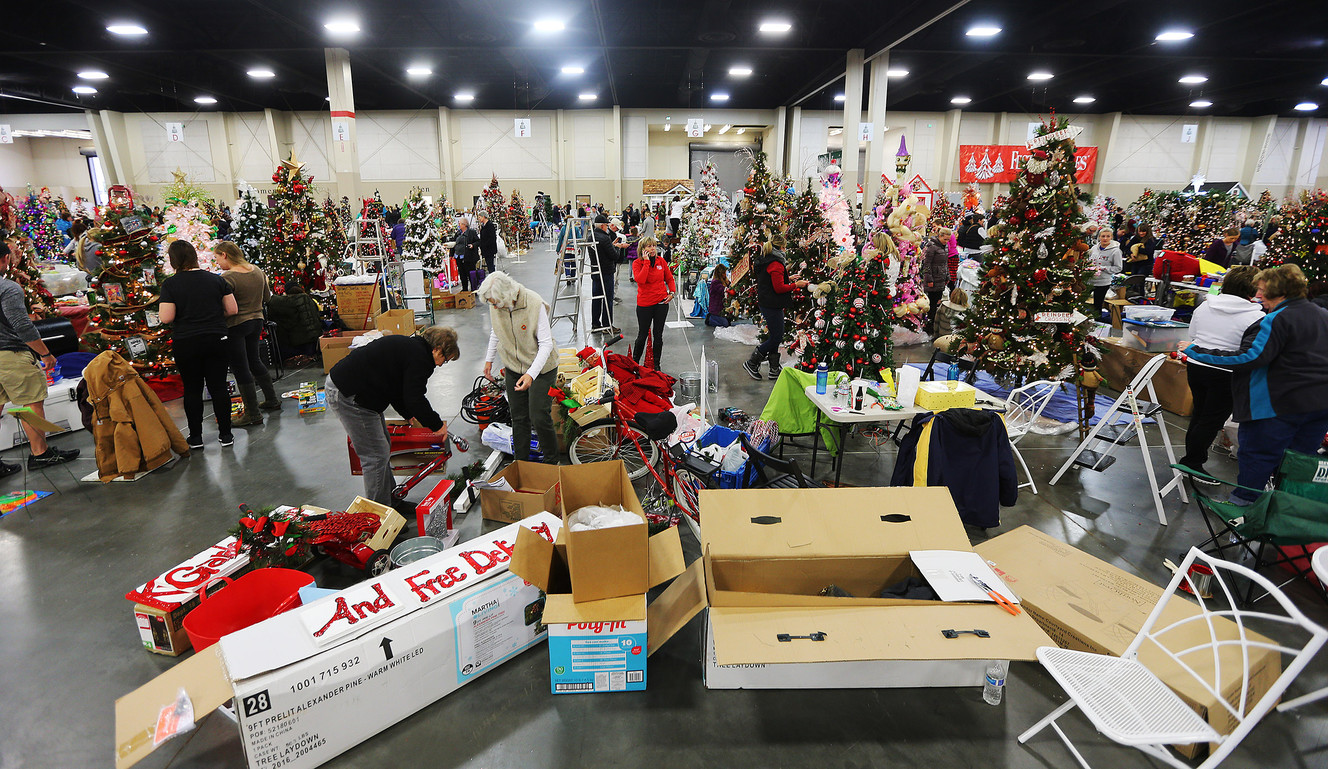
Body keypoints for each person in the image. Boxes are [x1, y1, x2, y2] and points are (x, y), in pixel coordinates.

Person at [1184, 264, 1328, 504]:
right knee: (1297, 462)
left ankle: (1245, 511)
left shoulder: (1276, 319)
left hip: (1277, 404)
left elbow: (1249, 357)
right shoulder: (1322, 315)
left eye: (1261, 290)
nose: (1258, 295)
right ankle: (1286, 511)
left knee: (1258, 457)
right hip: (1318, 406)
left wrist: (1196, 351)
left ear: (1277, 291)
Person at [328, 326, 458, 504]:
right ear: (437, 349)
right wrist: (436, 425)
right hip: (348, 394)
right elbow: (414, 398)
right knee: (375, 455)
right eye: (445, 359)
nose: (441, 365)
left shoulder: (413, 349)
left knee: (382, 447)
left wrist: (407, 414)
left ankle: (392, 501)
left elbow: (398, 387)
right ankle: (379, 514)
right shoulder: (421, 358)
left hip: (361, 394)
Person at [1176, 266, 1263, 478]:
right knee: (1210, 421)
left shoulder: (1205, 305)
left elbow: (1193, 334)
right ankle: (1192, 463)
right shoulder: (1256, 316)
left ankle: (1191, 460)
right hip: (1227, 371)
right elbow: (1249, 352)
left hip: (1197, 364)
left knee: (1200, 415)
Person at [0, 242, 79, 474]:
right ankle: (40, 453)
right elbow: (21, 325)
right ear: (5, 258)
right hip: (11, 354)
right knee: (32, 402)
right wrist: (45, 353)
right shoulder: (8, 288)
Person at [158, 241, 238, 450]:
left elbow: (166, 317)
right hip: (216, 338)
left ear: (173, 260)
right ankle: (226, 434)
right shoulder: (216, 280)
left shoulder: (170, 284)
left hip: (187, 341)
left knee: (192, 389)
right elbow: (232, 310)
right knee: (218, 386)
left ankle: (195, 437)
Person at [477, 273, 558, 463]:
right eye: (491, 304)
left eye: (495, 303)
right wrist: (489, 360)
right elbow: (496, 330)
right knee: (519, 417)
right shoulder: (496, 304)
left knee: (538, 416)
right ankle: (520, 463)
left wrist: (530, 374)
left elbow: (546, 344)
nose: (494, 307)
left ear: (506, 295)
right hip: (514, 366)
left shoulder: (534, 303)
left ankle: (552, 462)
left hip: (542, 368)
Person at [216, 241, 277, 426]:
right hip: (256, 321)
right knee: (254, 360)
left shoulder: (227, 277)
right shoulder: (257, 270)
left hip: (235, 324)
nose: (217, 262)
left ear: (225, 255)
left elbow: (224, 305)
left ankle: (252, 413)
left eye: (217, 258)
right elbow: (267, 297)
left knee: (240, 367)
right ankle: (272, 399)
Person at [744, 233, 808, 380]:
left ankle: (774, 368)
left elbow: (770, 279)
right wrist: (796, 285)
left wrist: (787, 278)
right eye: (785, 247)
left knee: (775, 335)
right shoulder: (776, 263)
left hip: (766, 301)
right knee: (776, 337)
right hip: (772, 304)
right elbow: (779, 288)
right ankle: (752, 362)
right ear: (781, 247)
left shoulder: (767, 259)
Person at [631, 237, 675, 366]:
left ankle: (656, 364)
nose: (652, 249)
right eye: (649, 246)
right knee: (642, 334)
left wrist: (672, 293)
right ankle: (635, 363)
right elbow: (640, 280)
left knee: (658, 335)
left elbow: (670, 278)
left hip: (661, 303)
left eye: (654, 246)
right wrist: (646, 262)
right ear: (642, 249)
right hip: (645, 304)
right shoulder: (637, 263)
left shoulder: (661, 261)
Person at [591, 215, 618, 334]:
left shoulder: (591, 236)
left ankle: (595, 324)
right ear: (602, 226)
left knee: (596, 298)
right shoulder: (605, 238)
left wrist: (611, 245)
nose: (607, 227)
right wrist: (617, 247)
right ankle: (607, 325)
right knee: (608, 299)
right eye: (606, 225)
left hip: (595, 271)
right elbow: (614, 256)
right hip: (606, 272)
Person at [1087, 228, 1123, 316]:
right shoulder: (1094, 248)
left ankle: (1097, 320)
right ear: (1099, 237)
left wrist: (1102, 268)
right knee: (1083, 301)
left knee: (1097, 305)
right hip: (1089, 280)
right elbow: (1088, 260)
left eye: (1108, 236)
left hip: (1102, 282)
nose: (1105, 238)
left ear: (1111, 237)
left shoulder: (1116, 251)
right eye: (1103, 236)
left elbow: (1118, 268)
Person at [921, 228, 951, 334]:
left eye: (948, 240)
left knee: (936, 302)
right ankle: (928, 326)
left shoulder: (944, 247)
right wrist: (929, 279)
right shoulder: (932, 247)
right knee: (931, 304)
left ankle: (933, 325)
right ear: (940, 236)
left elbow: (945, 263)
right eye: (945, 239)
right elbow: (927, 264)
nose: (946, 241)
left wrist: (947, 276)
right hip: (933, 279)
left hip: (941, 278)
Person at [452, 216, 481, 291]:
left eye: (460, 224)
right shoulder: (458, 233)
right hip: (459, 256)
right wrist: (451, 254)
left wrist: (473, 245)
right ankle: (464, 289)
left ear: (464, 224)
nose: (458, 225)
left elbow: (478, 241)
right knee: (462, 274)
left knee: (471, 273)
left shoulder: (471, 232)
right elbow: (454, 243)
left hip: (469, 257)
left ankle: (474, 288)